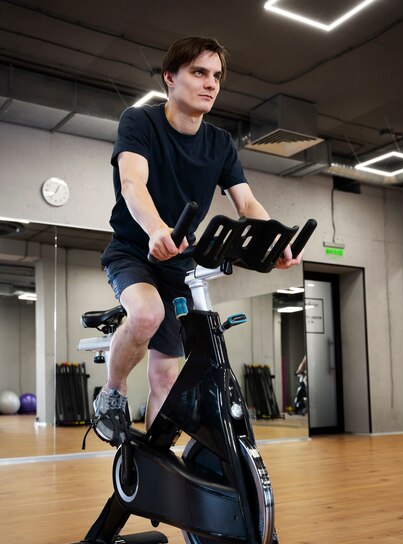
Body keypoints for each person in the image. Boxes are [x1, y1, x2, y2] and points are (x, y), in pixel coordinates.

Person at [92, 36, 301, 446]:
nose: (211, 84)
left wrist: (275, 240)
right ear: (170, 78)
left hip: (179, 264)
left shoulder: (220, 143)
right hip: (134, 250)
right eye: (199, 72)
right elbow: (133, 183)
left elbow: (247, 202)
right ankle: (112, 391)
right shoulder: (139, 121)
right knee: (147, 315)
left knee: (168, 375)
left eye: (217, 76)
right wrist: (155, 229)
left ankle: (153, 467)